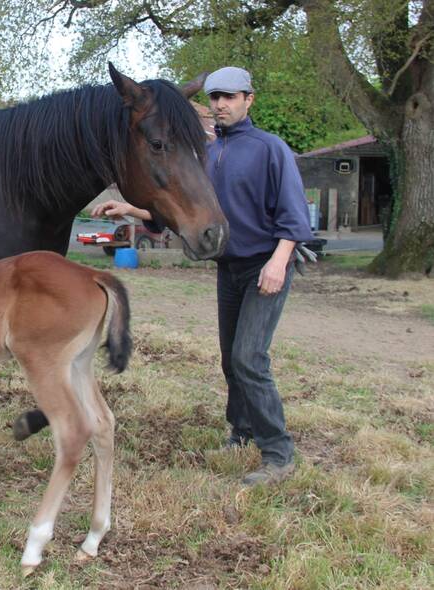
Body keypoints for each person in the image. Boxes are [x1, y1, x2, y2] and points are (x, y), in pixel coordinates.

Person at [92, 66, 313, 487]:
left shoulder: (271, 149)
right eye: (215, 98)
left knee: (251, 358)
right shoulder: (206, 153)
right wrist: (133, 210)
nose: (220, 105)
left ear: (249, 99)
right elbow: (187, 206)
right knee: (233, 360)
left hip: (264, 266)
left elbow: (293, 216)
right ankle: (241, 432)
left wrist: (279, 262)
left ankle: (278, 453)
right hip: (227, 267)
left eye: (230, 97)